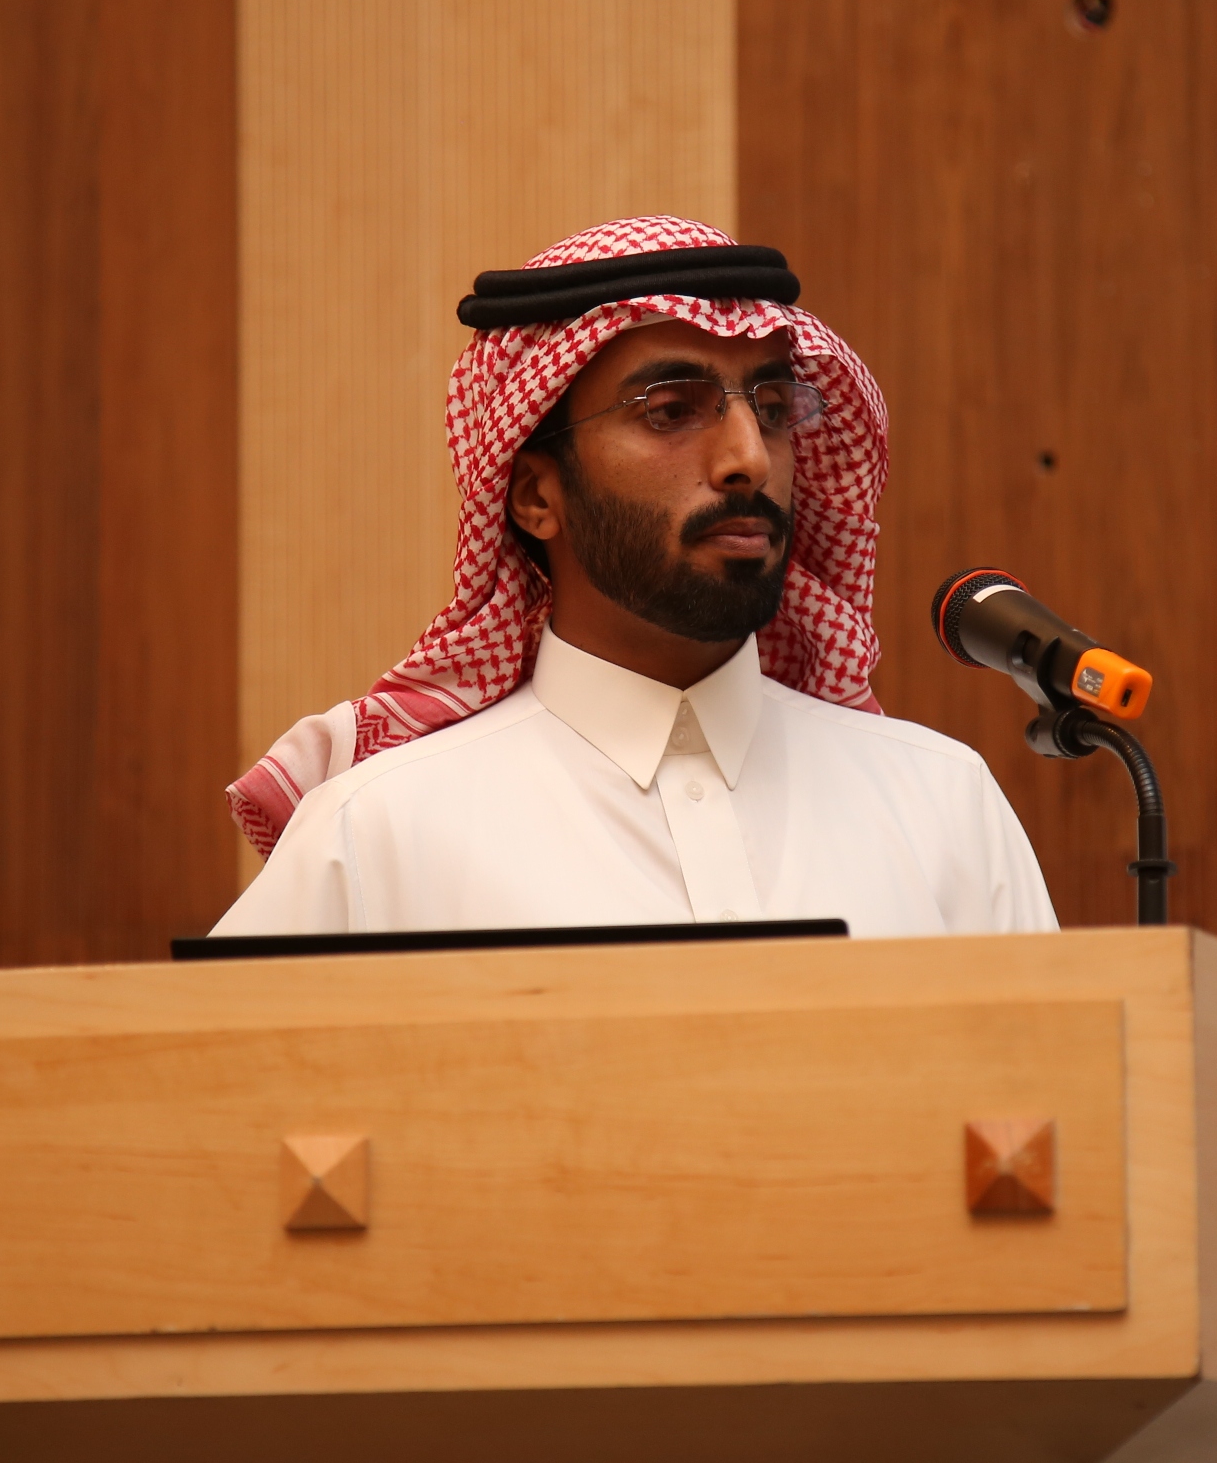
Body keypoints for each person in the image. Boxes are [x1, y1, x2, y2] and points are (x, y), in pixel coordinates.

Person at [210, 215, 1055, 938]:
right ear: (536, 495)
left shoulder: (943, 806)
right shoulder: (377, 838)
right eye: (671, 412)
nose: (749, 459)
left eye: (771, 410)